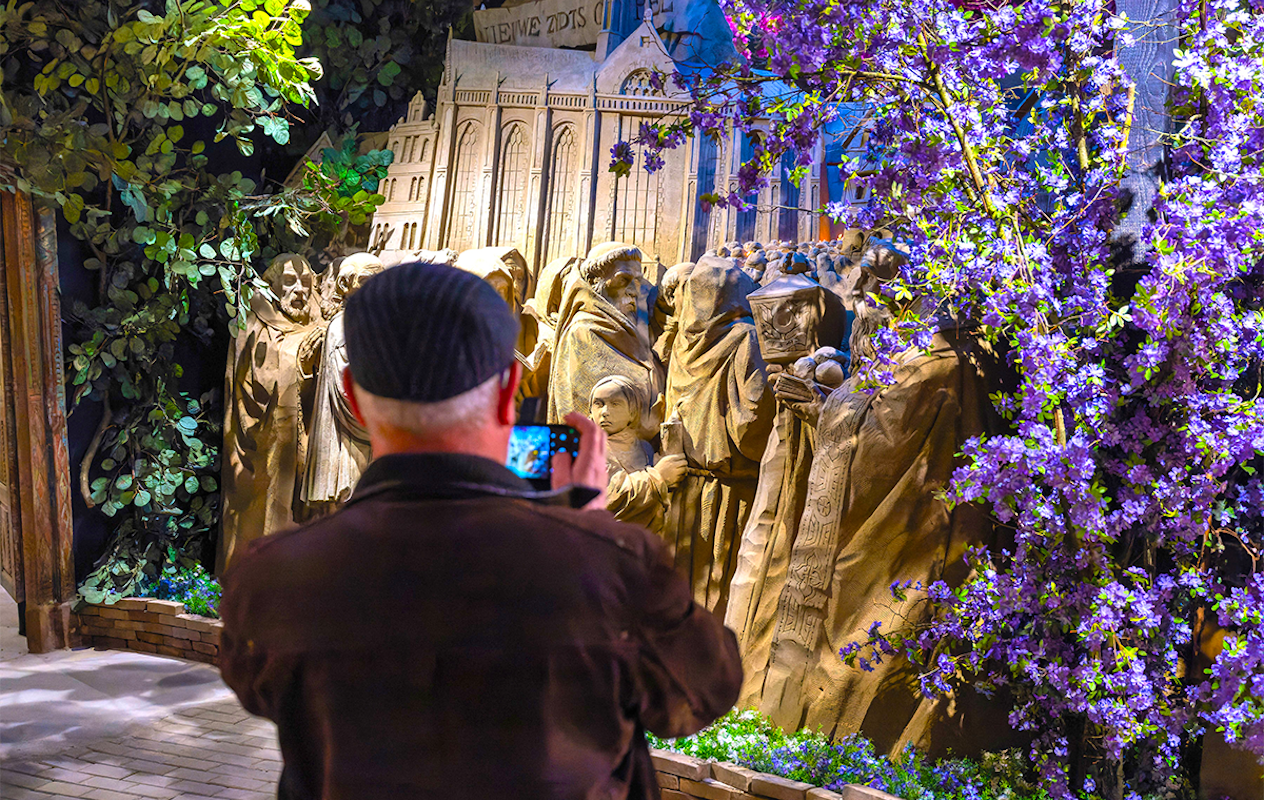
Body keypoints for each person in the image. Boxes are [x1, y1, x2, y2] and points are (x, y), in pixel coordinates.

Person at [219, 262, 742, 800]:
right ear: (510, 387)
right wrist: (585, 531)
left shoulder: (273, 576)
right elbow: (704, 690)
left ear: (351, 396)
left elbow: (260, 690)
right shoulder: (611, 562)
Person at [590, 375, 686, 534]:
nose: (605, 412)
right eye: (598, 404)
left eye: (615, 404)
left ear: (632, 412)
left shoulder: (644, 448)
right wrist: (658, 477)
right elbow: (609, 499)